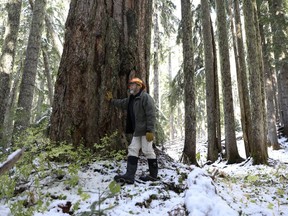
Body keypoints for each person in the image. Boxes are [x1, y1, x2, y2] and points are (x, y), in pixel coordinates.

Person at [106, 77, 158, 184]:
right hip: (137, 131)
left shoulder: (146, 98)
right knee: (133, 149)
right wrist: (111, 100)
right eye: (130, 85)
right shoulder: (131, 99)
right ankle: (129, 175)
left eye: (133, 85)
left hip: (146, 131)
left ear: (139, 86)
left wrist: (150, 130)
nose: (130, 87)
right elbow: (121, 103)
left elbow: (151, 115)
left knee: (147, 151)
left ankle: (153, 175)